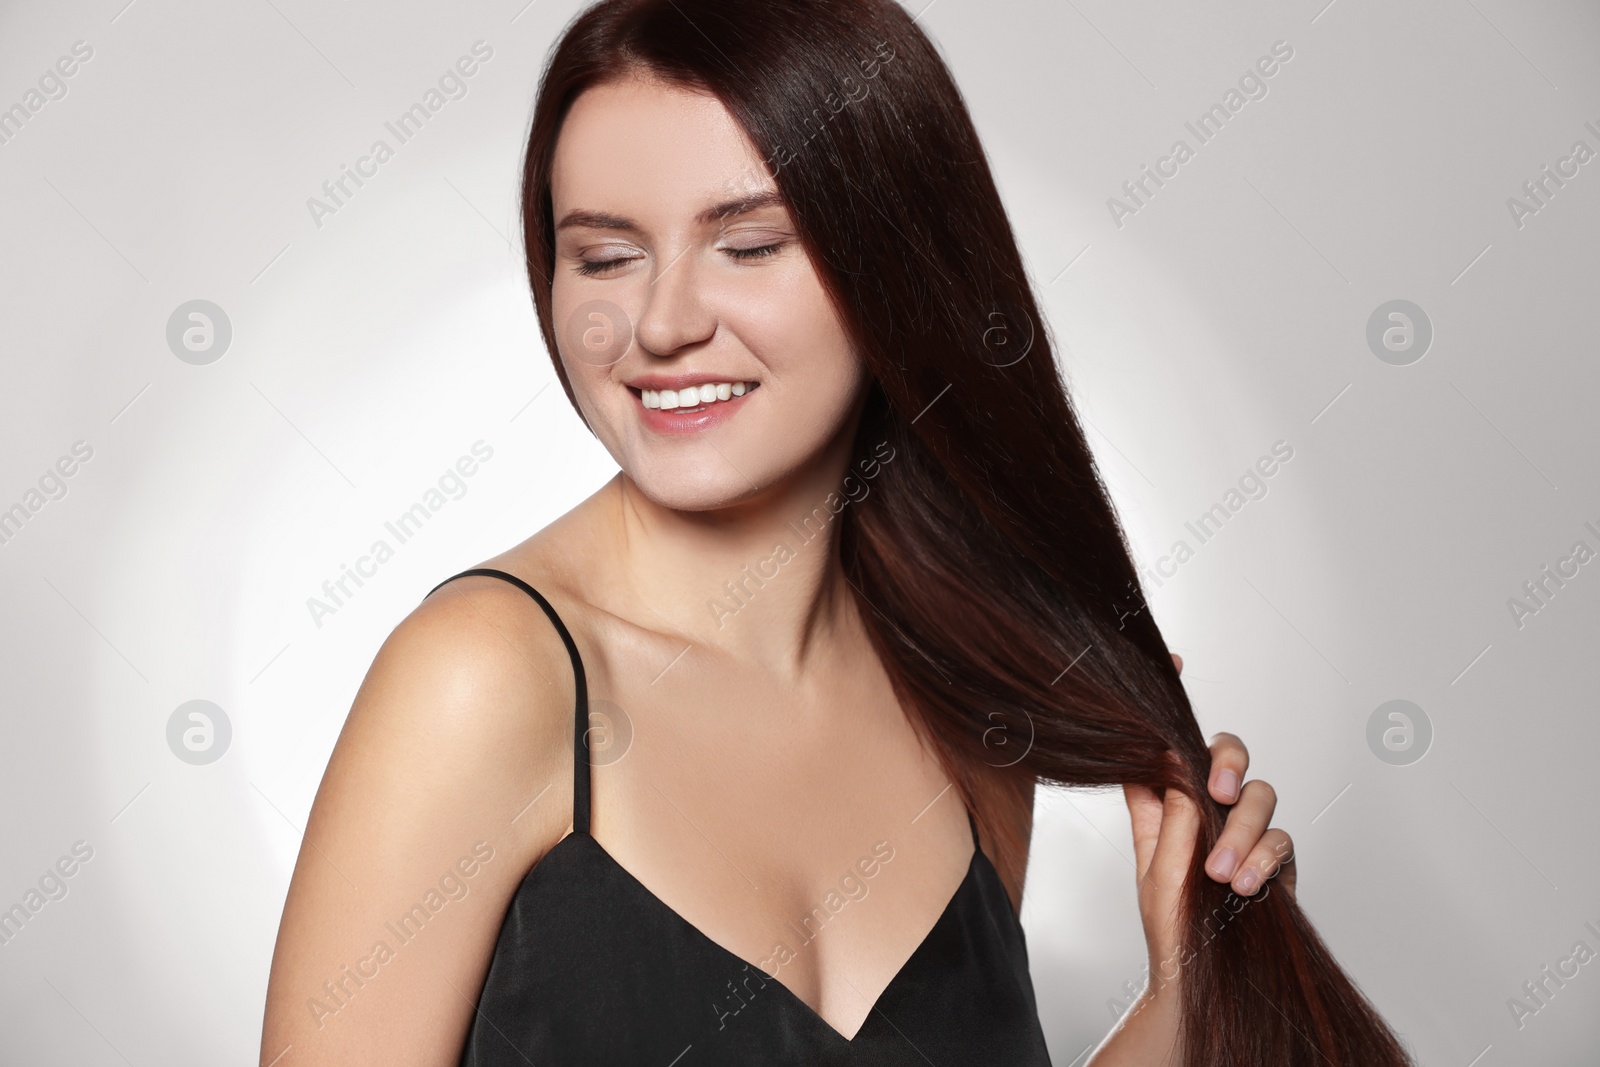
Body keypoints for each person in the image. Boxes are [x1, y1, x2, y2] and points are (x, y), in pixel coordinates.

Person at [262, 1, 1411, 1064]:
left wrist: (1177, 1005)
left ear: (899, 262)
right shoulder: (480, 683)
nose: (660, 323)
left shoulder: (961, 701)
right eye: (605, 256)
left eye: (750, 243)